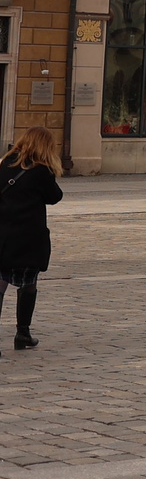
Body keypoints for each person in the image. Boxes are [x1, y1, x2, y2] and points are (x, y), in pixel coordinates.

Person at [0, 127, 64, 351]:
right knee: (28, 284)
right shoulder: (41, 171)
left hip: (3, 234)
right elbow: (55, 196)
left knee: (0, 282)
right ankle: (22, 333)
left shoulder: (4, 164)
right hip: (28, 236)